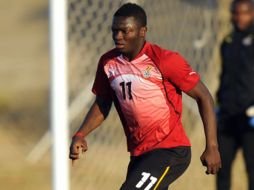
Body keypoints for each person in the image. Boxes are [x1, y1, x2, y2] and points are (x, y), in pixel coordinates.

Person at [69, 3, 221, 190]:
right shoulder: (108, 63)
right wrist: (81, 134)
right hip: (139, 154)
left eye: (125, 31)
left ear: (142, 31)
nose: (118, 36)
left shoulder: (164, 59)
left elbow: (204, 96)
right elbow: (102, 102)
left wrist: (212, 146)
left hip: (170, 150)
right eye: (114, 31)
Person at [216, 0, 254, 190]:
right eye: (236, 13)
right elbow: (224, 75)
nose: (240, 17)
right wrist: (218, 104)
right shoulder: (228, 41)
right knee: (221, 168)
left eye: (245, 13)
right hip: (227, 116)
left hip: (250, 120)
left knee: (252, 170)